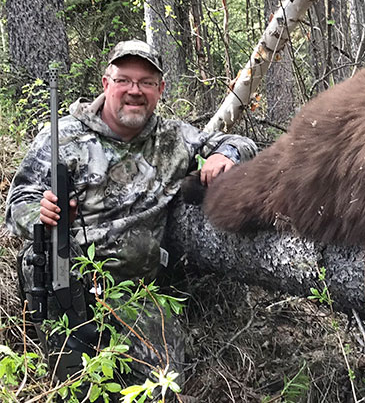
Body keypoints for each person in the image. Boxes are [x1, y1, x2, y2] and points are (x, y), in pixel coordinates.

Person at [5, 39, 257, 394]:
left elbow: (239, 142)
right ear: (107, 83)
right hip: (70, 288)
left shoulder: (173, 137)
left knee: (163, 391)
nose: (134, 91)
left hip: (140, 294)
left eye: (146, 82)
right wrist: (40, 211)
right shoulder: (63, 136)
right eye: (124, 80)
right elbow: (18, 201)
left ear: (160, 89)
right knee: (78, 390)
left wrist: (224, 153)